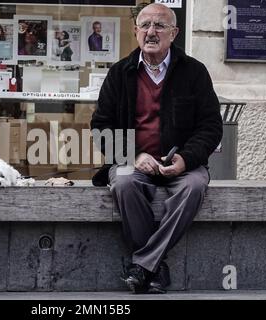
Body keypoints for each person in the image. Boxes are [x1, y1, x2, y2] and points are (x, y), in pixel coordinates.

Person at [90, 3, 223, 294]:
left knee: (195, 185)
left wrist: (186, 159)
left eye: (160, 26)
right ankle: (154, 267)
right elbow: (101, 127)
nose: (152, 31)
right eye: (145, 25)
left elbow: (211, 126)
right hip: (133, 161)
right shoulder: (119, 74)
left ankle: (143, 265)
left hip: (181, 165)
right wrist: (134, 156)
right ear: (135, 31)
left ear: (174, 33)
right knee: (124, 182)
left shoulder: (195, 72)